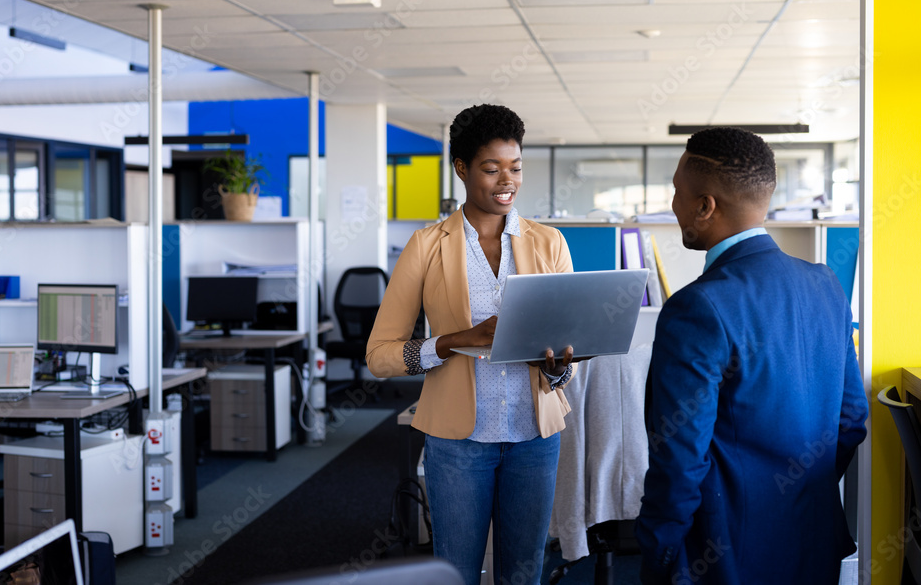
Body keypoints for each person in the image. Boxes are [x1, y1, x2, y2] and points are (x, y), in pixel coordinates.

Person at [635, 127, 868, 584]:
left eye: (678, 192)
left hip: (725, 555)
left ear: (706, 206)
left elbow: (679, 457)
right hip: (813, 542)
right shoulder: (825, 284)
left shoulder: (697, 307)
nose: (673, 204)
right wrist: (795, 494)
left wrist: (659, 557)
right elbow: (851, 419)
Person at [366, 104, 577, 585]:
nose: (507, 181)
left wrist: (558, 368)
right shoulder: (426, 246)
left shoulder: (550, 243)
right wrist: (457, 341)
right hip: (458, 442)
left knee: (523, 575)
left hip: (534, 437)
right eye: (491, 168)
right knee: (456, 573)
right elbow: (380, 356)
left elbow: (566, 360)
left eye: (515, 167)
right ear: (461, 168)